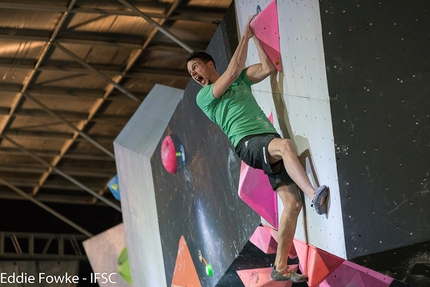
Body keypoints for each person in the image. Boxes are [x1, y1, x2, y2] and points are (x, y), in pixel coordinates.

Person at [186, 16, 328, 283]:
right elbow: (231, 71)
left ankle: (280, 266)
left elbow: (267, 68)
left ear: (209, 64)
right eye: (191, 73)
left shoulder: (239, 79)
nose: (194, 75)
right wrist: (246, 37)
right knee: (286, 146)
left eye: (195, 67)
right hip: (248, 144)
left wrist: (258, 39)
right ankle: (314, 194)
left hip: (266, 140)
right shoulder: (204, 96)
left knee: (292, 204)